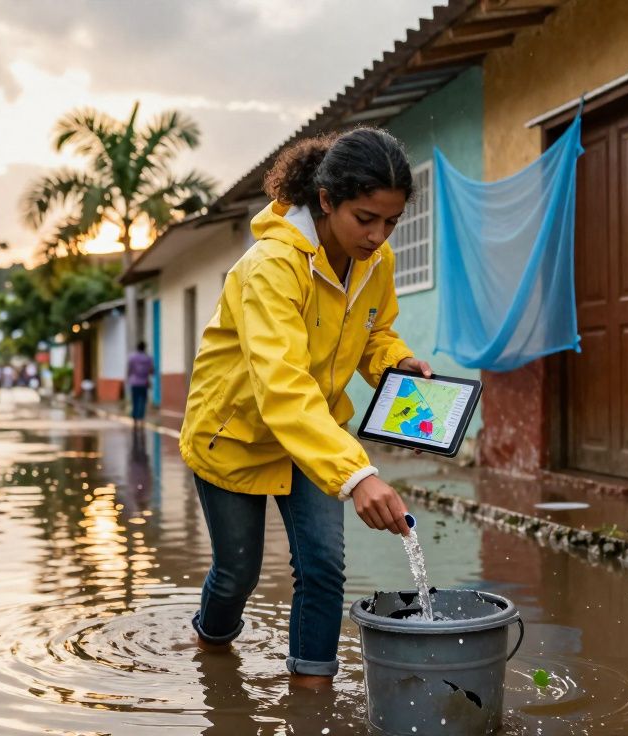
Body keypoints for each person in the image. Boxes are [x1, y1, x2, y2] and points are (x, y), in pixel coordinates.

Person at [180, 129, 432, 688]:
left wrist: (398, 363)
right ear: (325, 200)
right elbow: (283, 387)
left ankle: (311, 694)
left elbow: (374, 332)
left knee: (323, 569)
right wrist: (358, 475)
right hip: (236, 436)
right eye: (365, 218)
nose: (378, 235)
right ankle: (211, 648)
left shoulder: (376, 261)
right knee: (237, 573)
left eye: (391, 222)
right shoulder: (270, 267)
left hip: (313, 436)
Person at [127, 341, 155, 424]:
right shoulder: (148, 358)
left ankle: (135, 419)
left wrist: (129, 378)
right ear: (144, 348)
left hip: (134, 383)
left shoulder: (132, 358)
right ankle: (141, 418)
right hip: (144, 383)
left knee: (135, 401)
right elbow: (152, 371)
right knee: (143, 401)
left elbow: (129, 370)